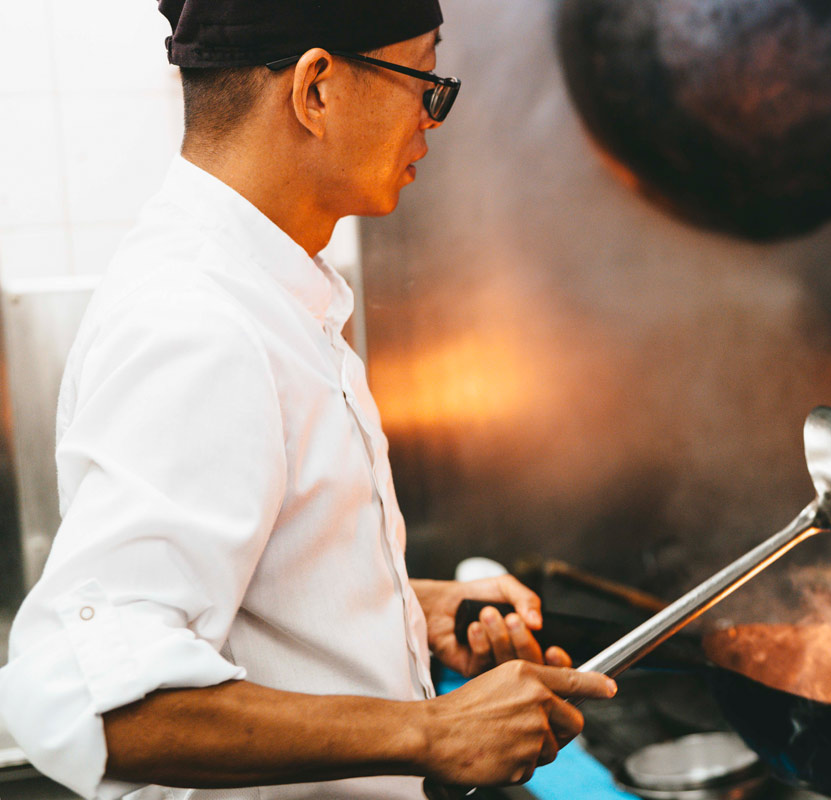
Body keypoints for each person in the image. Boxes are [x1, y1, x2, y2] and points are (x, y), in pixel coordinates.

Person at [0, 1, 615, 797]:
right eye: (423, 79)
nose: (433, 118)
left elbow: (241, 580)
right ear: (315, 89)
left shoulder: (272, 292)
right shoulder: (200, 324)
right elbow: (99, 701)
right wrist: (431, 729)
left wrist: (400, 606)